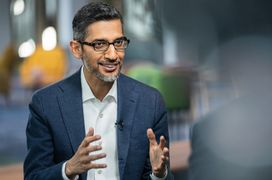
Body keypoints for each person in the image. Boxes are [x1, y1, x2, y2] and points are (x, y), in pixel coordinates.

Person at [24, 2, 172, 180]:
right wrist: (68, 169)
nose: (112, 55)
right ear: (77, 49)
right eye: (100, 44)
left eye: (118, 43)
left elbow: (158, 174)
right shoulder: (45, 104)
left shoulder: (151, 102)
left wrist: (159, 175)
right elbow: (34, 176)